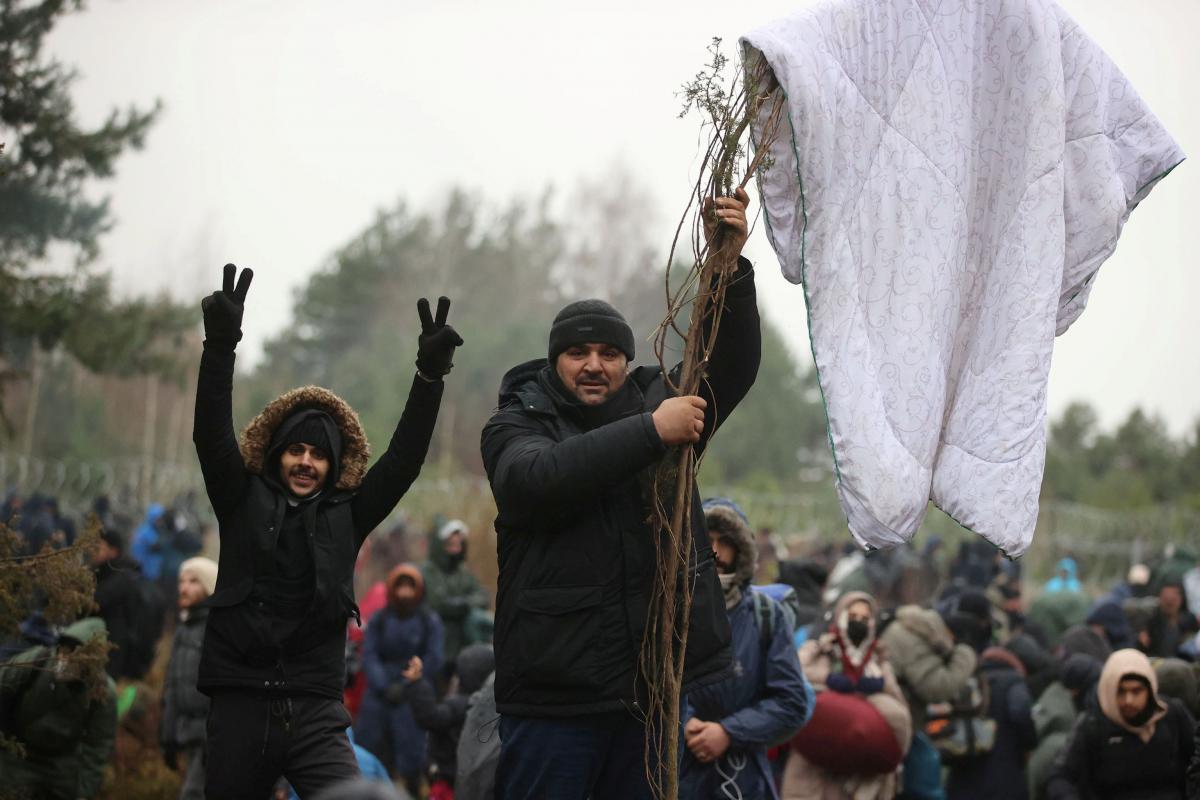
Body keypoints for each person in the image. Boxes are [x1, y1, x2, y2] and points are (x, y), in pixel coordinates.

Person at [480, 189, 759, 798]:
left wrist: (728, 270)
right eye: (577, 352)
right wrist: (650, 431)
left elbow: (728, 366)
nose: (593, 365)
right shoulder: (516, 424)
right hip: (552, 704)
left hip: (648, 698)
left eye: (609, 353)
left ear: (626, 360)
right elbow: (534, 482)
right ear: (554, 361)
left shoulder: (664, 404)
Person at [192, 264, 462, 799]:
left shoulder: (350, 514)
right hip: (240, 702)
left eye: (319, 454)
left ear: (334, 465)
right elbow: (209, 433)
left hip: (316, 709)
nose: (306, 462)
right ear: (276, 454)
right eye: (296, 449)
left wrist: (428, 380)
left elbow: (404, 461)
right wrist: (220, 348)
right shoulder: (238, 498)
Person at [681, 498, 812, 800]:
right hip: (671, 772)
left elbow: (791, 702)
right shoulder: (664, 610)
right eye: (706, 539)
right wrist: (683, 724)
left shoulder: (766, 616)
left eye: (724, 542)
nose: (714, 550)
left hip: (743, 780)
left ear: (740, 550)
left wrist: (728, 732)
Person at [784, 590, 910, 799]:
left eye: (864, 618)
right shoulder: (821, 647)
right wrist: (828, 678)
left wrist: (878, 686)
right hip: (815, 767)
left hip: (860, 776)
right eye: (852, 617)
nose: (858, 623)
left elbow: (899, 705)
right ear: (841, 615)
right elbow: (793, 672)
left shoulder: (878, 658)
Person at [1048, 648, 1195, 799]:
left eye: (1136, 691)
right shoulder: (1092, 725)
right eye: (1120, 692)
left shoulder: (1172, 716)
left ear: (1150, 690)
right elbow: (1061, 777)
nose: (1128, 700)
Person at [0, 617, 117, 800]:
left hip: (60, 769)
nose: (64, 658)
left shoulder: (101, 692)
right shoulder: (37, 661)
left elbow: (98, 745)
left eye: (73, 655)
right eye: (63, 650)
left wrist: (83, 792)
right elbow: (3, 685)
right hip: (16, 757)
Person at [354, 563, 445, 796]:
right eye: (400, 586)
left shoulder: (429, 620)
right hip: (380, 690)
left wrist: (407, 686)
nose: (405, 592)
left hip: (413, 690)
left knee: (412, 751)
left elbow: (434, 658)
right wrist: (384, 685)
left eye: (410, 587)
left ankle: (413, 789)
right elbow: (369, 654)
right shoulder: (379, 619)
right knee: (370, 745)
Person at [879, 598, 977, 800]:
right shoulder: (915, 640)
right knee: (926, 776)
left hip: (891, 721)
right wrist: (965, 655)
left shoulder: (908, 629)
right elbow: (936, 687)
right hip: (895, 725)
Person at [944, 643, 1037, 800]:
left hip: (964, 774)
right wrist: (1029, 743)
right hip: (1005, 775)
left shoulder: (967, 681)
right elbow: (1020, 711)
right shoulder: (1013, 681)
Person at [404, 644, 497, 799]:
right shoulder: (491, 708)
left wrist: (418, 684)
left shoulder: (459, 706)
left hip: (448, 782)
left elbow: (430, 717)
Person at [161, 556, 218, 800]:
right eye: (182, 581)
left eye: (193, 581)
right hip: (186, 732)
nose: (184, 587)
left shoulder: (217, 628)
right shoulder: (184, 627)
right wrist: (167, 733)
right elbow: (172, 685)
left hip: (209, 736)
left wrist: (215, 735)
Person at [421, 518, 490, 673]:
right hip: (437, 643)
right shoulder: (428, 571)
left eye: (459, 544)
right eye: (450, 544)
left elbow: (483, 596)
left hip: (463, 643)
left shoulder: (463, 571)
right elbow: (438, 603)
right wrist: (462, 605)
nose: (455, 549)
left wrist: (465, 603)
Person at [91, 525, 150, 680]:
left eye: (99, 547)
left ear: (114, 551)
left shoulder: (124, 576)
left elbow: (97, 599)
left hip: (115, 646)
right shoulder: (99, 571)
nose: (93, 551)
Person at [1139, 582, 1199, 659]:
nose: (1169, 602)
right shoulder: (1151, 621)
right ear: (1160, 598)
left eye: (1173, 599)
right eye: (1166, 598)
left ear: (1180, 599)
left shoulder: (1190, 620)